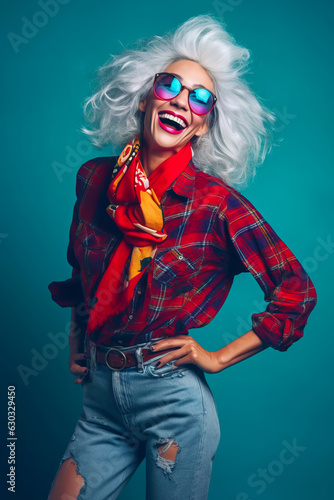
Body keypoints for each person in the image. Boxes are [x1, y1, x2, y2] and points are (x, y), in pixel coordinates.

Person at [47, 15, 317, 500]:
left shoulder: (216, 204)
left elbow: (295, 291)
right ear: (146, 95)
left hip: (172, 401)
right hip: (100, 397)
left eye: (199, 98)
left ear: (203, 124)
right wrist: (76, 340)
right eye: (170, 85)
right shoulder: (91, 180)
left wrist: (214, 359)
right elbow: (79, 274)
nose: (181, 101)